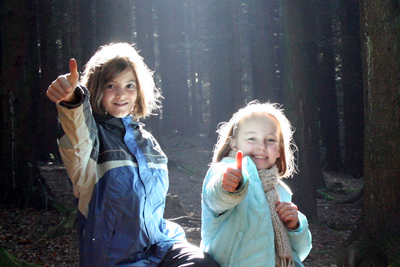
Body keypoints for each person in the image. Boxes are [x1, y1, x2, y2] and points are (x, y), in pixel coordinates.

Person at [46, 42, 220, 267]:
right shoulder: (91, 140)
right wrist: (71, 99)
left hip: (163, 245)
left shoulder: (146, 140)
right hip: (117, 259)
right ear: (97, 88)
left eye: (130, 85)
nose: (121, 94)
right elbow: (77, 133)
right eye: (111, 85)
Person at [201, 101, 312, 267]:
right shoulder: (225, 171)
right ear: (234, 143)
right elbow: (215, 198)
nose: (261, 146)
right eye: (252, 138)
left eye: (270, 140)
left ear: (279, 150)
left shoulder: (279, 191)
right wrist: (229, 187)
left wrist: (295, 227)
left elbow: (301, 251)